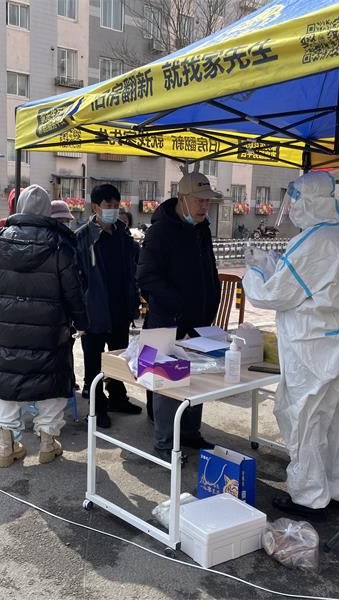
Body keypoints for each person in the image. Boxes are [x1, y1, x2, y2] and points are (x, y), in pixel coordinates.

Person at [242, 171, 339, 521]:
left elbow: (275, 294)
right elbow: (305, 281)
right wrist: (270, 263)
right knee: (334, 421)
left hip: (316, 347)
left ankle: (309, 497)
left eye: (295, 200)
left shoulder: (313, 240)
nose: (292, 208)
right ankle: (333, 487)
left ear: (310, 201)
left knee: (304, 419)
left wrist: (254, 270)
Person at [0, 185, 87, 467]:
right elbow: (73, 289)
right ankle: (47, 445)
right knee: (51, 385)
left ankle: (6, 448)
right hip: (50, 329)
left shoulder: (0, 239)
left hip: (9, 329)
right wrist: (81, 321)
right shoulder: (60, 242)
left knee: (9, 384)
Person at [137, 171, 221, 463]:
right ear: (182, 198)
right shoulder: (160, 232)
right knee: (166, 383)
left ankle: (190, 431)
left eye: (207, 201)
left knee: (195, 376)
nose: (204, 206)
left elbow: (209, 269)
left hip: (199, 321)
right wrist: (177, 305)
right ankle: (164, 442)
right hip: (167, 320)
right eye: (199, 201)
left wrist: (212, 301)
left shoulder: (202, 229)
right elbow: (146, 277)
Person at [76, 184, 142, 428]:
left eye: (116, 205)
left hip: (119, 307)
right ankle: (97, 409)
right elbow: (75, 276)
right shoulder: (82, 237)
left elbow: (133, 268)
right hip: (93, 310)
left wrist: (133, 300)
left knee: (119, 357)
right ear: (95, 207)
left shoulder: (123, 235)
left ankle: (117, 397)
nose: (113, 209)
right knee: (94, 362)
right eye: (108, 205)